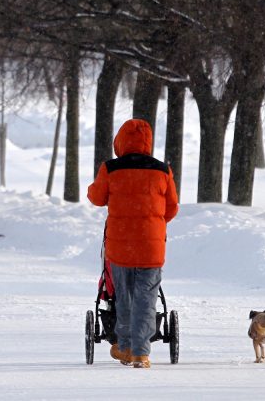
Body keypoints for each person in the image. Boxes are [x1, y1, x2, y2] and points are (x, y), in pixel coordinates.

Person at [87, 118, 179, 369]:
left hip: (120, 245)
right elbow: (171, 208)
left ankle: (125, 347)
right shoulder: (162, 170)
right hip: (151, 247)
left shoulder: (111, 168)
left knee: (123, 298)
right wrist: (153, 224)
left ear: (121, 141)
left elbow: (96, 198)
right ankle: (141, 353)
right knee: (146, 299)